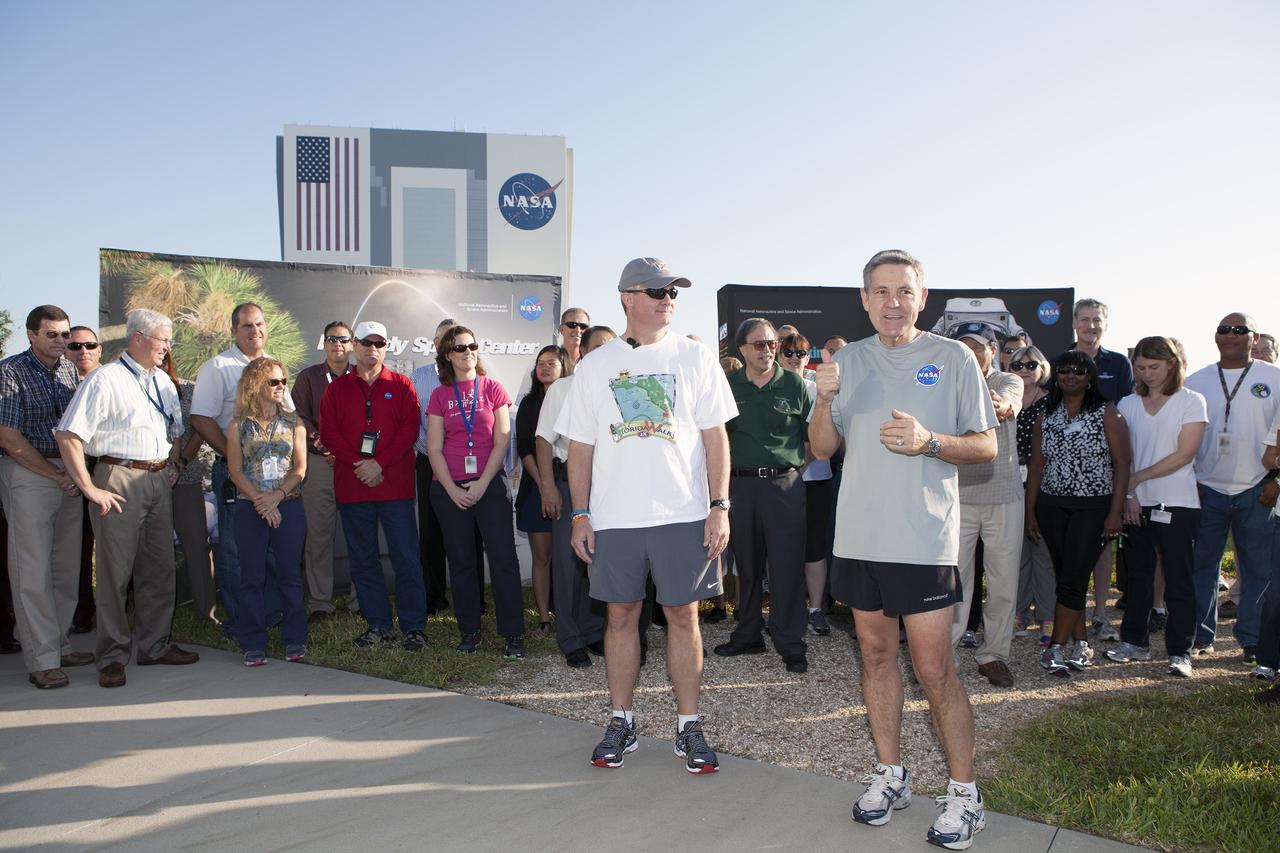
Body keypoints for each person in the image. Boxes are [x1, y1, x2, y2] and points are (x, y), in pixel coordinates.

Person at [808, 249, 996, 848]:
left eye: (904, 292)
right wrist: (820, 397)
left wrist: (931, 442)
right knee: (875, 657)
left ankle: (965, 794)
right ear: (864, 299)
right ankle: (892, 774)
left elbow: (987, 445)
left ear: (923, 298)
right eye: (880, 291)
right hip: (860, 537)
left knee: (935, 668)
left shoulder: (954, 358)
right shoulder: (847, 361)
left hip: (923, 539)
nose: (892, 302)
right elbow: (820, 450)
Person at [561, 257, 736, 775]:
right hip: (615, 518)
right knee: (620, 616)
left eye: (673, 290)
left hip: (683, 513)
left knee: (683, 617)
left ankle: (689, 725)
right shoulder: (594, 367)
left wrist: (719, 505)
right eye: (656, 290)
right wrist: (580, 514)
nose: (667, 298)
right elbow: (581, 449)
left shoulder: (695, 357)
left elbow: (715, 438)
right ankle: (621, 720)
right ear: (627, 298)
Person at [55, 308, 200, 688]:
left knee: (159, 568)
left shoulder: (164, 383)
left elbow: (176, 429)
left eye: (169, 339)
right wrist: (89, 487)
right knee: (115, 574)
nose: (167, 346)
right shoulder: (106, 379)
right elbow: (69, 434)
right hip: (116, 478)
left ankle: (154, 646)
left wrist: (174, 463)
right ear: (137, 337)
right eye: (162, 339)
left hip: (157, 480)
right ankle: (112, 656)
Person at [319, 320, 428, 650]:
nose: (372, 348)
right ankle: (378, 624)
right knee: (363, 560)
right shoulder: (336, 389)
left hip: (394, 487)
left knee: (406, 557)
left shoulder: (403, 385)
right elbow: (329, 433)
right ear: (354, 345)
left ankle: (413, 627)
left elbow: (409, 431)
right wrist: (360, 463)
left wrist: (378, 463)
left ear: (386, 347)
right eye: (366, 342)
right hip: (354, 487)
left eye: (379, 343)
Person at [1104, 337, 1207, 677]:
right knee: (1139, 577)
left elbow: (1184, 453)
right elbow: (1122, 456)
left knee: (1178, 579)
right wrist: (1130, 496)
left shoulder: (1192, 401)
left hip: (1178, 502)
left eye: (1155, 367)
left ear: (1172, 364)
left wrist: (1136, 480)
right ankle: (1134, 642)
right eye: (1141, 368)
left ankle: (1181, 652)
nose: (1148, 374)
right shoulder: (1129, 403)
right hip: (1136, 504)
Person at [0, 305, 89, 689]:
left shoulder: (70, 369)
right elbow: (8, 437)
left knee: (65, 568)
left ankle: (60, 643)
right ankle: (41, 659)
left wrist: (73, 473)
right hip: (30, 475)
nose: (61, 341)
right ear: (31, 334)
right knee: (31, 570)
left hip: (68, 474)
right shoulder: (9, 372)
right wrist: (54, 473)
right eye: (52, 334)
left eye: (65, 334)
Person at [1026, 350, 1130, 677]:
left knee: (1072, 577)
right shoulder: (1048, 415)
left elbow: (1122, 464)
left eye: (1079, 371)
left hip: (1094, 505)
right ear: (1055, 377)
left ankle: (1055, 647)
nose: (1071, 376)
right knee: (1067, 577)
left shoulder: (1106, 412)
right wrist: (1030, 512)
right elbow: (1038, 466)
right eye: (1064, 371)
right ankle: (1081, 644)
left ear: (1090, 378)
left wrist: (1116, 513)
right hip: (1051, 505)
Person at [715, 318, 811, 672]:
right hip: (740, 487)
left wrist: (791, 470)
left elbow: (810, 438)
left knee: (786, 566)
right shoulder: (727, 386)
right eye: (759, 344)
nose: (768, 350)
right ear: (741, 348)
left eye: (772, 344)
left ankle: (790, 641)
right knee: (748, 565)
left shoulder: (794, 384)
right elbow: (716, 440)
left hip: (784, 486)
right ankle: (748, 635)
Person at [191, 302, 291, 638]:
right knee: (236, 549)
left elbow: (288, 416)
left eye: (260, 324)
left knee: (274, 545)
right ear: (234, 330)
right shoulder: (218, 367)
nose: (255, 331)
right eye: (247, 326)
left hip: (275, 476)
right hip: (236, 475)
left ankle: (273, 614)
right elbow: (201, 418)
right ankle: (241, 621)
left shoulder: (273, 366)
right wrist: (235, 457)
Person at [1184, 314, 1280, 663]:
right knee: (1202, 566)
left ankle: (1251, 637)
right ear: (1215, 337)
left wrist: (1276, 481)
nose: (1231, 335)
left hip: (1258, 489)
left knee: (1258, 570)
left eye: (1240, 330)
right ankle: (1200, 634)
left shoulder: (1274, 379)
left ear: (1254, 338)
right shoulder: (1196, 381)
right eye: (1224, 329)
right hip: (1206, 488)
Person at [425, 325, 526, 657]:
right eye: (459, 348)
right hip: (449, 490)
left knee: (503, 560)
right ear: (447, 355)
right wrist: (453, 490)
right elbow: (434, 448)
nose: (467, 351)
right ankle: (469, 631)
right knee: (462, 562)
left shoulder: (493, 388)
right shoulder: (440, 395)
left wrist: (482, 483)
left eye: (472, 346)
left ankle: (513, 634)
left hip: (490, 486)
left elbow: (502, 439)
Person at [949, 322, 1023, 688]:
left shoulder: (1008, 381)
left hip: (1003, 497)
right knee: (955, 582)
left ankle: (994, 655)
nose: (970, 352)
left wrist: (1002, 405)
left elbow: (1006, 403)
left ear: (993, 350)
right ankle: (945, 658)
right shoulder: (946, 383)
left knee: (1003, 582)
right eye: (962, 346)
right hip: (959, 498)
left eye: (977, 346)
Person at [536, 327, 614, 668]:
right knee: (569, 565)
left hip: (608, 487)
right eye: (597, 347)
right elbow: (542, 440)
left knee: (595, 562)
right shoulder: (564, 388)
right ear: (582, 351)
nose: (605, 353)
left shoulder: (618, 391)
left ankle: (593, 631)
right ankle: (569, 639)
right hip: (567, 483)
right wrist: (548, 488)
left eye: (611, 348)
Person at [226, 357, 309, 666]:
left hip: (289, 505)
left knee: (290, 576)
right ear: (255, 384)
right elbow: (235, 471)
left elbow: (300, 468)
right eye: (274, 381)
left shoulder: (294, 422)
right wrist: (261, 502)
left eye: (283, 381)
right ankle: (253, 642)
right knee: (252, 577)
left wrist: (276, 497)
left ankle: (295, 639)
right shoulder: (237, 425)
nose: (280, 387)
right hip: (251, 509)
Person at [1069, 298, 1135, 639]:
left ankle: (1099, 613)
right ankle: (1072, 610)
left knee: (1103, 542)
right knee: (1070, 544)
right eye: (1084, 320)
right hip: (1066, 469)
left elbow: (1124, 415)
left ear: (1104, 325)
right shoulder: (1061, 361)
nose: (1090, 326)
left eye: (1096, 320)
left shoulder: (1119, 364)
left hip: (1106, 466)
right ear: (1074, 323)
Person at [412, 317, 485, 615]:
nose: (454, 347)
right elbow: (410, 420)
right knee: (430, 532)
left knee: (471, 533)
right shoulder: (419, 377)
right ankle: (434, 597)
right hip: (430, 462)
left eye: (459, 342)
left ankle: (474, 598)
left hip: (467, 466)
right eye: (446, 341)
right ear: (437, 346)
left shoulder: (474, 376)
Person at [291, 320, 358, 621]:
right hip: (319, 462)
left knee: (360, 532)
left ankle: (361, 599)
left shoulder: (362, 377)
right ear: (324, 343)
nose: (338, 345)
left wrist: (347, 452)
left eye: (343, 340)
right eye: (332, 339)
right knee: (318, 535)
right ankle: (320, 602)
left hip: (356, 464)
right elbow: (298, 416)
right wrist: (324, 445)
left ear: (352, 344)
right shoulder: (308, 377)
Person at [779, 330, 834, 635]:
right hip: (780, 483)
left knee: (814, 548)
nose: (795, 358)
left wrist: (797, 468)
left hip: (813, 481)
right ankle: (786, 611)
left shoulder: (817, 389)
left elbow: (821, 438)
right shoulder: (770, 387)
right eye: (788, 352)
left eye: (801, 353)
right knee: (781, 549)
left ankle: (815, 609)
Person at [515, 345, 568, 635]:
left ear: (564, 367)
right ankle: (544, 618)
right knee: (542, 557)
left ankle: (570, 614)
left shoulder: (573, 398)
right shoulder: (529, 402)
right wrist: (544, 483)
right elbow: (525, 447)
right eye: (540, 363)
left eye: (552, 363)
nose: (545, 368)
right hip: (536, 488)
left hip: (569, 485)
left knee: (568, 558)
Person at [163, 352, 217, 624]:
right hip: (146, 479)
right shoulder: (131, 390)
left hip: (186, 477)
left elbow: (201, 428)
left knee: (196, 546)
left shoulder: (189, 390)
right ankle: (152, 613)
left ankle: (206, 612)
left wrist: (181, 461)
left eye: (163, 357)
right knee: (152, 550)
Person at [1009, 345, 1055, 645]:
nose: (1024, 370)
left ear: (1042, 369)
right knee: (1016, 553)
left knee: (1043, 551)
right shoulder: (1003, 399)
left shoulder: (1052, 404)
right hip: (1009, 482)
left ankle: (1048, 616)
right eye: (1017, 365)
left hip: (1043, 483)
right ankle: (1019, 613)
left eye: (1031, 364)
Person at [66, 325, 101, 634]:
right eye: (75, 346)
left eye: (89, 344)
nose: (83, 351)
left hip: (108, 472)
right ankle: (82, 611)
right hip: (70, 476)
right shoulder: (60, 382)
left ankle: (124, 608)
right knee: (78, 548)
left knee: (118, 548)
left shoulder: (111, 381)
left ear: (99, 349)